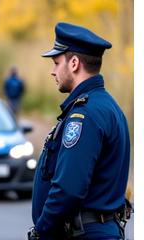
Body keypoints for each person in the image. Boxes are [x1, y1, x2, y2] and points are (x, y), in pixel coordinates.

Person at [27, 22, 131, 240]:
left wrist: (42, 230)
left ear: (74, 63)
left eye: (56, 63)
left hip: (86, 233)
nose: (52, 71)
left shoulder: (84, 116)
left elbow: (68, 189)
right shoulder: (107, 106)